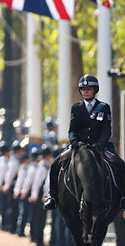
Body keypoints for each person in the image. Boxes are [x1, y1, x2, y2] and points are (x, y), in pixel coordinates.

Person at [45, 74, 120, 210]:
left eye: (89, 88)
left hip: (99, 146)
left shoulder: (103, 107)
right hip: (79, 146)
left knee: (120, 164)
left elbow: (106, 130)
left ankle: (122, 198)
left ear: (94, 90)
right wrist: (74, 142)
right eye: (83, 89)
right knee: (55, 165)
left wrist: (101, 143)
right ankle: (53, 197)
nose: (85, 91)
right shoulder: (76, 108)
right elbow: (72, 129)